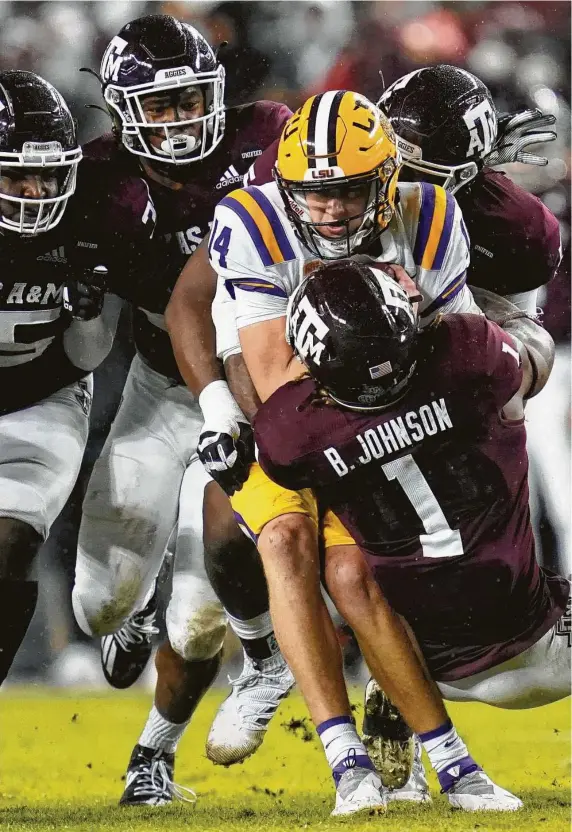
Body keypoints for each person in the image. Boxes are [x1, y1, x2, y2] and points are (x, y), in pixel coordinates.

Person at [171, 70, 558, 783]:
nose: (331, 208)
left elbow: (468, 366)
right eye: (315, 190)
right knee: (235, 543)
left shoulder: (469, 220)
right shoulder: (263, 208)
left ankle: (440, 676)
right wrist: (222, 411)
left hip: (425, 358)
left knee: (388, 546)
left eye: (353, 187)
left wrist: (482, 377)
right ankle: (267, 668)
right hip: (278, 373)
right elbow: (275, 381)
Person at [70, 14, 293, 806]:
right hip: (161, 391)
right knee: (99, 606)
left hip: (252, 394)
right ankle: (143, 602)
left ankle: (150, 758)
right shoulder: (93, 182)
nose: (176, 119)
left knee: (201, 618)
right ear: (124, 110)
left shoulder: (267, 137)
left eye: (189, 99)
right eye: (157, 106)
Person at [253, 259, 570, 808]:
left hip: (424, 668)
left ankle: (394, 712)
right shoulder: (469, 356)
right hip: (538, 640)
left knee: (350, 570)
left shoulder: (289, 433)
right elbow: (530, 355)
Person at [0, 70, 154, 694]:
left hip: (43, 397)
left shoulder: (95, 214)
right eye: (16, 175)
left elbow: (86, 357)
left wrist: (89, 311)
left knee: (9, 543)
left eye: (47, 174)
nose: (35, 190)